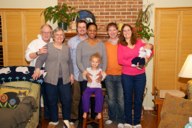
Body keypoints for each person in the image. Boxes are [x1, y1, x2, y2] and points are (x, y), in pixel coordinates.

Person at [32, 27, 74, 128]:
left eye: (61, 35)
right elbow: (40, 60)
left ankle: (66, 120)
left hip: (65, 79)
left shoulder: (66, 48)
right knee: (51, 100)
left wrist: (71, 74)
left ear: (64, 37)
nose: (59, 37)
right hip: (50, 79)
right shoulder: (48, 46)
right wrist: (37, 69)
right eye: (57, 35)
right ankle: (54, 120)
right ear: (53, 37)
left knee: (67, 100)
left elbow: (70, 63)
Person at [117, 24, 153, 128]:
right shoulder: (121, 45)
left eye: (128, 30)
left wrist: (146, 59)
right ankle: (128, 122)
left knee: (138, 99)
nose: (126, 32)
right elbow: (120, 60)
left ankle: (137, 122)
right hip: (127, 76)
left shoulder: (139, 42)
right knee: (127, 98)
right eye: (124, 31)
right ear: (122, 33)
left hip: (140, 76)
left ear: (132, 31)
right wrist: (133, 64)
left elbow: (151, 49)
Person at [76, 22, 107, 128]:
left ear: (96, 31)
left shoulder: (101, 44)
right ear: (87, 31)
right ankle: (82, 120)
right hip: (85, 76)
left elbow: (105, 61)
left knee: (95, 99)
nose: (92, 32)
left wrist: (100, 75)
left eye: (94, 30)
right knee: (84, 97)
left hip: (97, 77)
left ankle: (94, 119)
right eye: (90, 30)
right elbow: (78, 61)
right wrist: (85, 73)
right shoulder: (81, 44)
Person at [25, 24, 53, 119]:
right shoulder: (34, 43)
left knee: (49, 97)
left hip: (50, 74)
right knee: (36, 96)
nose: (46, 34)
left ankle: (48, 119)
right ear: (41, 33)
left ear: (51, 33)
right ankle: (35, 119)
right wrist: (38, 52)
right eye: (44, 32)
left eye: (48, 32)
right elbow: (27, 57)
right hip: (36, 74)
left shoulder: (54, 42)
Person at [104, 22, 124, 128]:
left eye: (114, 29)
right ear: (107, 32)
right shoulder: (105, 44)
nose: (112, 32)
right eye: (110, 30)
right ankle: (112, 117)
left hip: (121, 75)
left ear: (117, 31)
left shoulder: (122, 43)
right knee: (111, 99)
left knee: (120, 99)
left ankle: (121, 119)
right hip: (108, 76)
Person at [68, 20, 88, 124]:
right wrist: (70, 73)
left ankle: (83, 117)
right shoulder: (71, 41)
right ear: (77, 28)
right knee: (75, 97)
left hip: (87, 75)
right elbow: (69, 59)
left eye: (83, 27)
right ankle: (74, 117)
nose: (81, 29)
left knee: (85, 97)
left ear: (86, 28)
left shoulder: (90, 40)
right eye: (79, 27)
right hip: (75, 74)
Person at [82, 53, 106, 119]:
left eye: (96, 62)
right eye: (93, 62)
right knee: (84, 95)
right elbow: (84, 77)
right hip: (89, 87)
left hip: (97, 88)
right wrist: (85, 74)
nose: (94, 63)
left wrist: (102, 76)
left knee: (99, 96)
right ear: (90, 62)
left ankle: (98, 112)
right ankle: (85, 111)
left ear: (99, 63)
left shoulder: (100, 70)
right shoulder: (88, 69)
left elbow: (104, 76)